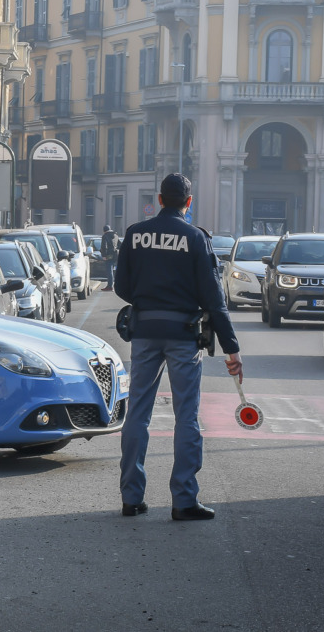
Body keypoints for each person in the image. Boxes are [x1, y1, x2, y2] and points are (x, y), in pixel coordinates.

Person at [114, 173, 242, 522]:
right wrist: (232, 348)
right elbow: (214, 298)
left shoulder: (135, 233)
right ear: (188, 202)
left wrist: (148, 300)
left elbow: (121, 286)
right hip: (184, 334)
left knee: (138, 411)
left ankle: (131, 498)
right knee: (187, 415)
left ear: (159, 199)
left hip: (144, 330)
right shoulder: (195, 238)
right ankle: (183, 501)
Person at [100, 224, 120, 291]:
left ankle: (110, 286)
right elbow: (120, 245)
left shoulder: (105, 236)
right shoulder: (115, 235)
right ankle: (117, 286)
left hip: (109, 255)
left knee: (109, 271)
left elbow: (104, 246)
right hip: (116, 254)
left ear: (104, 231)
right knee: (116, 271)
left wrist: (104, 255)